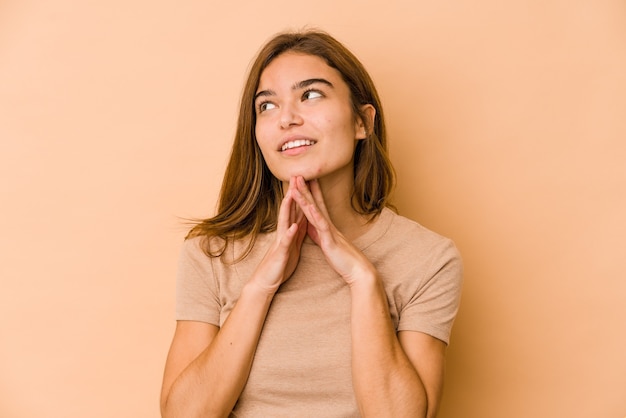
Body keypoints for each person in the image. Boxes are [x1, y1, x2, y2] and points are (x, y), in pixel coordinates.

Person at [160, 29, 462, 418]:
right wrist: (261, 285)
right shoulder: (211, 252)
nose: (287, 117)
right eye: (266, 106)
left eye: (311, 95)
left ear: (362, 122)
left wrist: (361, 277)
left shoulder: (428, 258)